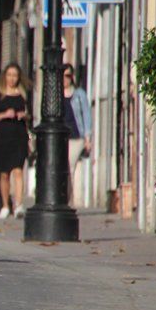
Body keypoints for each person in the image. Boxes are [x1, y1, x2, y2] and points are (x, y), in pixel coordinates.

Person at [0, 63, 31, 220]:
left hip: (19, 136)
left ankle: (18, 205)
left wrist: (23, 116)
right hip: (3, 137)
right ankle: (6, 205)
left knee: (18, 170)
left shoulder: (23, 95)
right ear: (5, 76)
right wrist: (5, 114)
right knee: (4, 173)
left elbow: (29, 115)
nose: (12, 78)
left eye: (15, 75)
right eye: (9, 75)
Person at [62, 63, 92, 207]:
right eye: (62, 75)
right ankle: (64, 198)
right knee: (61, 168)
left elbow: (86, 115)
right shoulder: (55, 94)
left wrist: (88, 138)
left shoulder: (79, 94)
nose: (65, 79)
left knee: (69, 167)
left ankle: (68, 199)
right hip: (60, 138)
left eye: (67, 75)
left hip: (75, 137)